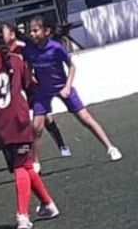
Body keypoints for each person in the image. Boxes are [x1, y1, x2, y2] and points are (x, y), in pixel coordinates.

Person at [0, 25, 59, 229]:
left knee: (20, 167)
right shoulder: (16, 61)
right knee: (24, 166)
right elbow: (32, 88)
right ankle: (48, 204)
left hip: (1, 126)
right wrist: (42, 110)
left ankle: (23, 215)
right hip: (19, 120)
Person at [22, 15, 122, 171]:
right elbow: (28, 67)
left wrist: (67, 87)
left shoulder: (56, 48)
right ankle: (35, 163)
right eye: (30, 31)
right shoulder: (29, 50)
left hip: (62, 86)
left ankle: (111, 147)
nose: (32, 34)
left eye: (35, 30)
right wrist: (31, 79)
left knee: (85, 118)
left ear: (46, 31)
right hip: (43, 90)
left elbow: (71, 67)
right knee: (36, 127)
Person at [0, 22, 71, 158]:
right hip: (19, 90)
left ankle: (61, 145)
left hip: (32, 87)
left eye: (3, 32)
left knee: (47, 119)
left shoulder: (23, 48)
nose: (1, 36)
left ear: (13, 35)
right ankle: (24, 154)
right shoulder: (3, 53)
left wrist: (33, 76)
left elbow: (32, 63)